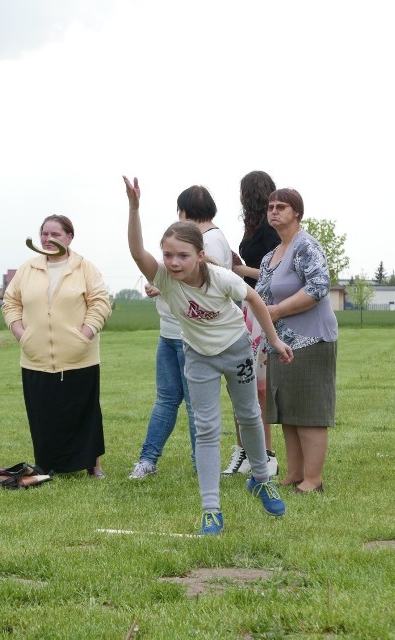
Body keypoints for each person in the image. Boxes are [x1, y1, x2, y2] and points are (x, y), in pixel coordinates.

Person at [124, 176, 294, 536]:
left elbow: (255, 300)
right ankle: (211, 510)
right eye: (168, 255)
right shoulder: (165, 279)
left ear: (200, 255)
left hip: (236, 351)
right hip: (198, 356)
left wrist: (275, 341)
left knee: (249, 415)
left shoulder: (219, 277)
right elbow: (138, 252)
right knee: (206, 429)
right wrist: (135, 208)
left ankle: (262, 479)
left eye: (182, 255)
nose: (172, 262)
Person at [128, 185, 228, 479]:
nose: (174, 260)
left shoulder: (210, 241)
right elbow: (140, 254)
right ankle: (148, 459)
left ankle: (202, 465)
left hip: (192, 338)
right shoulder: (193, 241)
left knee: (196, 405)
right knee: (167, 399)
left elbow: (207, 285)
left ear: (184, 212)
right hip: (169, 334)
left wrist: (162, 286)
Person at [2, 215, 112, 478]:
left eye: (56, 234)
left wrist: (84, 334)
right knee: (44, 415)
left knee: (84, 413)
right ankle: (47, 463)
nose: (48, 239)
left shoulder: (85, 268)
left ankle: (92, 465)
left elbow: (100, 303)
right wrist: (21, 333)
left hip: (79, 357)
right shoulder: (27, 269)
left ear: (69, 237)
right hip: (36, 357)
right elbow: (10, 302)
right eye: (44, 234)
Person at [256, 188, 338, 494]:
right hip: (281, 342)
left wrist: (277, 310)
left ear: (297, 213)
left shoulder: (306, 246)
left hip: (311, 339)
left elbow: (318, 287)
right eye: (270, 207)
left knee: (310, 412)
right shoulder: (270, 256)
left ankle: (313, 479)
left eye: (282, 207)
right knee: (288, 410)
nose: (274, 211)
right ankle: (295, 473)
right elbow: (261, 295)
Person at [225, 170, 281, 477]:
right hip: (249, 306)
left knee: (258, 386)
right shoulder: (255, 227)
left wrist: (240, 268)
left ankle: (266, 454)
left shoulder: (270, 232)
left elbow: (273, 274)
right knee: (245, 383)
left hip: (263, 308)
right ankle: (247, 450)